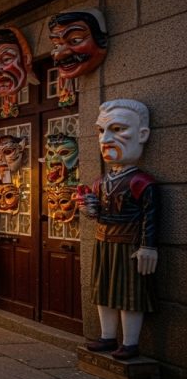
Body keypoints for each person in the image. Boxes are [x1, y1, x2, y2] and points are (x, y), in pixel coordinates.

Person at [79, 99, 157, 360]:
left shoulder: (141, 181)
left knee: (129, 293)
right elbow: (97, 213)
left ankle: (131, 342)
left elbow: (151, 216)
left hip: (129, 244)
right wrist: (90, 207)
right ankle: (107, 335)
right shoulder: (100, 181)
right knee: (103, 289)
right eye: (101, 131)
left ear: (142, 135)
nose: (106, 139)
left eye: (118, 129)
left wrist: (148, 246)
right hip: (104, 241)